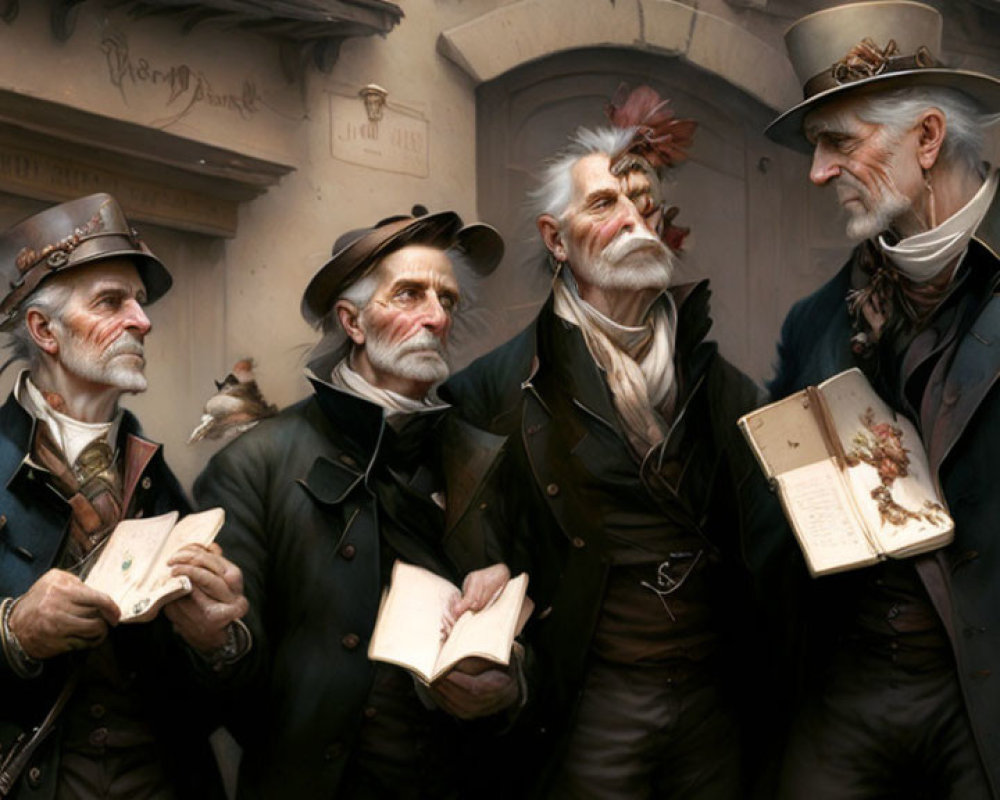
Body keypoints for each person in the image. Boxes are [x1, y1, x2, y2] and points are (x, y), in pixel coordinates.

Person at [445, 87, 776, 799]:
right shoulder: (492, 390)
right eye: (604, 205)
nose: (634, 220)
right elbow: (475, 557)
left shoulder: (725, 388)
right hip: (590, 704)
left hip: (714, 703)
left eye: (645, 205)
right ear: (555, 239)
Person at [193, 208, 524, 799]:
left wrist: (515, 680)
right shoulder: (253, 465)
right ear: (352, 321)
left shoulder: (488, 458)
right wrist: (218, 639)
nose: (436, 317)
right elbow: (220, 690)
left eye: (447, 300)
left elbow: (549, 624)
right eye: (410, 294)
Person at [764, 3, 1000, 797]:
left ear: (927, 139)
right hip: (849, 682)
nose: (818, 172)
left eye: (840, 142)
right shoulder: (813, 323)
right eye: (815, 147)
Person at [0, 193, 248, 800]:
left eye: (139, 301)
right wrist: (13, 633)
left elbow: (225, 702)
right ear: (43, 330)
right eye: (113, 301)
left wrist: (222, 641)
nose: (143, 320)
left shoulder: (161, 480)